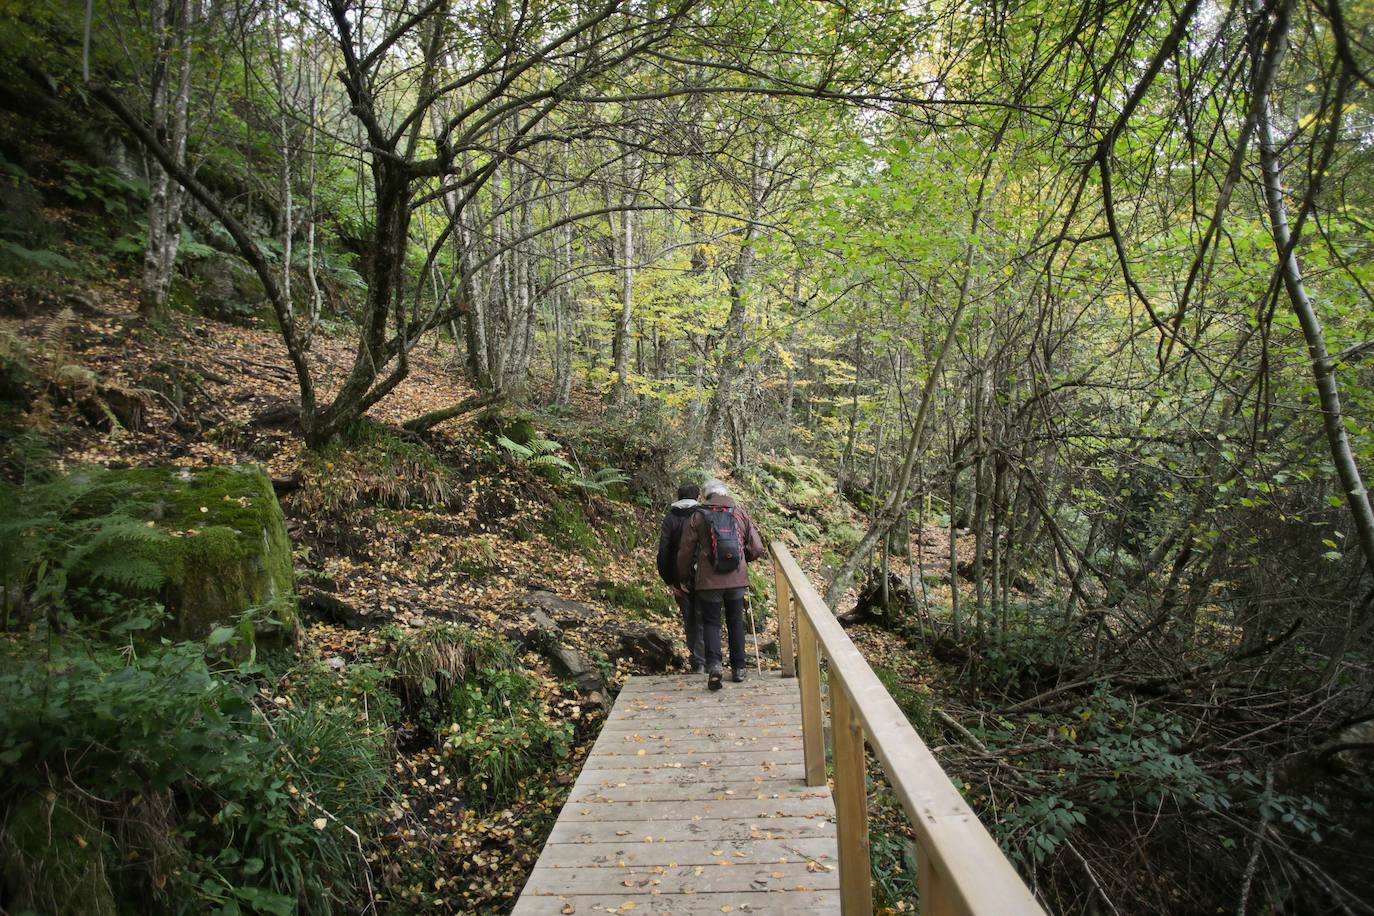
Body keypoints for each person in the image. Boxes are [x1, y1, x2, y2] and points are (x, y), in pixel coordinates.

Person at [676, 478, 765, 690]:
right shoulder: (739, 512)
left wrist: (683, 576)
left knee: (711, 622)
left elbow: (685, 550)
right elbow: (757, 547)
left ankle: (715, 665)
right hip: (736, 578)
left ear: (705, 495)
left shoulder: (698, 515)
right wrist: (744, 560)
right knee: (735, 621)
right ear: (725, 493)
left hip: (709, 580)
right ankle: (739, 668)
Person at [657, 482, 704, 673]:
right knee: (703, 618)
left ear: (678, 497)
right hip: (703, 577)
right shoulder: (703, 516)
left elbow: (664, 552)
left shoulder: (670, 518)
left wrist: (669, 581)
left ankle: (696, 660)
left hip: (678, 579)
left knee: (689, 619)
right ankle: (704, 660)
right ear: (697, 497)